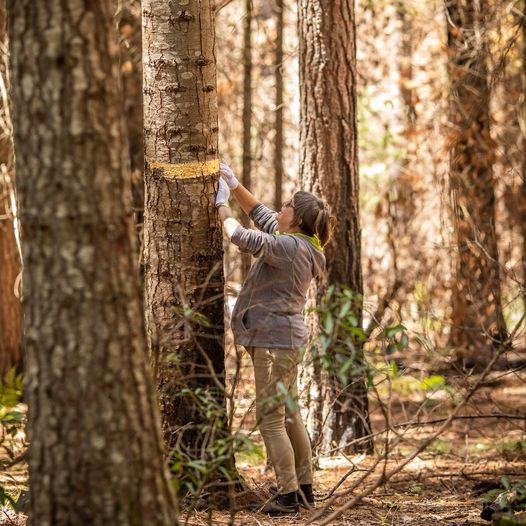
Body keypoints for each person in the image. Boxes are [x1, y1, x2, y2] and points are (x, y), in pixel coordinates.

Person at [215, 161, 334, 516]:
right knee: (290, 415)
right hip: (288, 341)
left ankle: (286, 496)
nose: (280, 207)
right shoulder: (302, 243)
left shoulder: (289, 248)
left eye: (287, 205)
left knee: (271, 419)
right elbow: (258, 213)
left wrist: (221, 203)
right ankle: (304, 489)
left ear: (295, 219)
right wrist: (234, 185)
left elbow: (239, 234)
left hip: (273, 342)